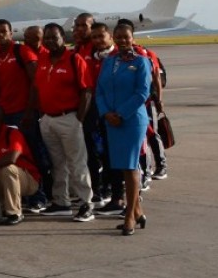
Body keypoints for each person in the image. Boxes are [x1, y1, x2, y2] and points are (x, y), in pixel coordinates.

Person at [34, 23, 95, 222]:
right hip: (48, 119)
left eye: (54, 37)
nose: (50, 41)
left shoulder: (73, 59)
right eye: (47, 38)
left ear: (63, 37)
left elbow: (86, 90)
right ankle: (61, 202)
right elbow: (37, 88)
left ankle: (86, 203)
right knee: (57, 163)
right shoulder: (42, 59)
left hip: (68, 118)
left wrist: (78, 119)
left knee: (76, 163)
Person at [96, 23, 153, 235]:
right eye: (118, 37)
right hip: (112, 121)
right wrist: (106, 113)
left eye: (125, 37)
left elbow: (142, 93)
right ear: (113, 38)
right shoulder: (109, 61)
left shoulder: (141, 62)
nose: (121, 41)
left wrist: (120, 114)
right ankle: (138, 210)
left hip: (130, 120)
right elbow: (99, 90)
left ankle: (129, 214)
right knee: (121, 166)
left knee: (130, 167)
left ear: (132, 38)